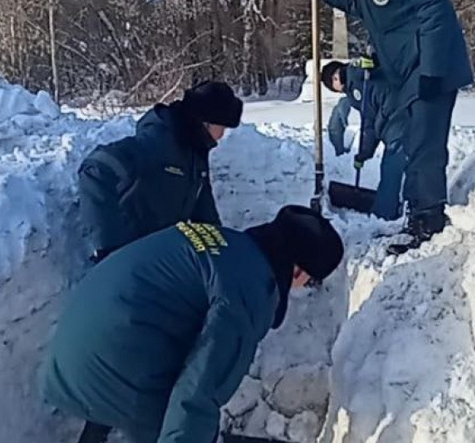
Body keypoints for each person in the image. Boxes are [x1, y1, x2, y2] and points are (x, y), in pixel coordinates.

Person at [39, 205, 346, 443]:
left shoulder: (226, 243)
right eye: (310, 281)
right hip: (106, 367)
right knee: (181, 422)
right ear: (298, 272)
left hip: (68, 356)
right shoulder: (250, 290)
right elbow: (199, 390)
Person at [306, 0, 474, 254]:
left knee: (424, 144)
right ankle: (417, 216)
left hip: (429, 63)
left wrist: (431, 69)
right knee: (412, 144)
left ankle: (428, 221)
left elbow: (434, 6)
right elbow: (370, 9)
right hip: (402, 70)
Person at [77, 81, 243, 263]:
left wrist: (222, 255)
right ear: (206, 122)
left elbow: (204, 216)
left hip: (157, 261)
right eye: (223, 127)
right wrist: (111, 249)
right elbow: (95, 170)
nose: (222, 135)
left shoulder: (195, 157)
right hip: (128, 263)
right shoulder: (157, 145)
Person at [323, 58, 407, 221]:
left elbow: (369, 124)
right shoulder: (360, 75)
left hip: (398, 121)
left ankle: (384, 215)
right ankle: (410, 206)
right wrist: (365, 153)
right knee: (412, 166)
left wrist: (363, 154)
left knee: (391, 168)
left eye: (335, 88)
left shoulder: (357, 83)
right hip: (408, 112)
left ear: (335, 78)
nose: (340, 92)